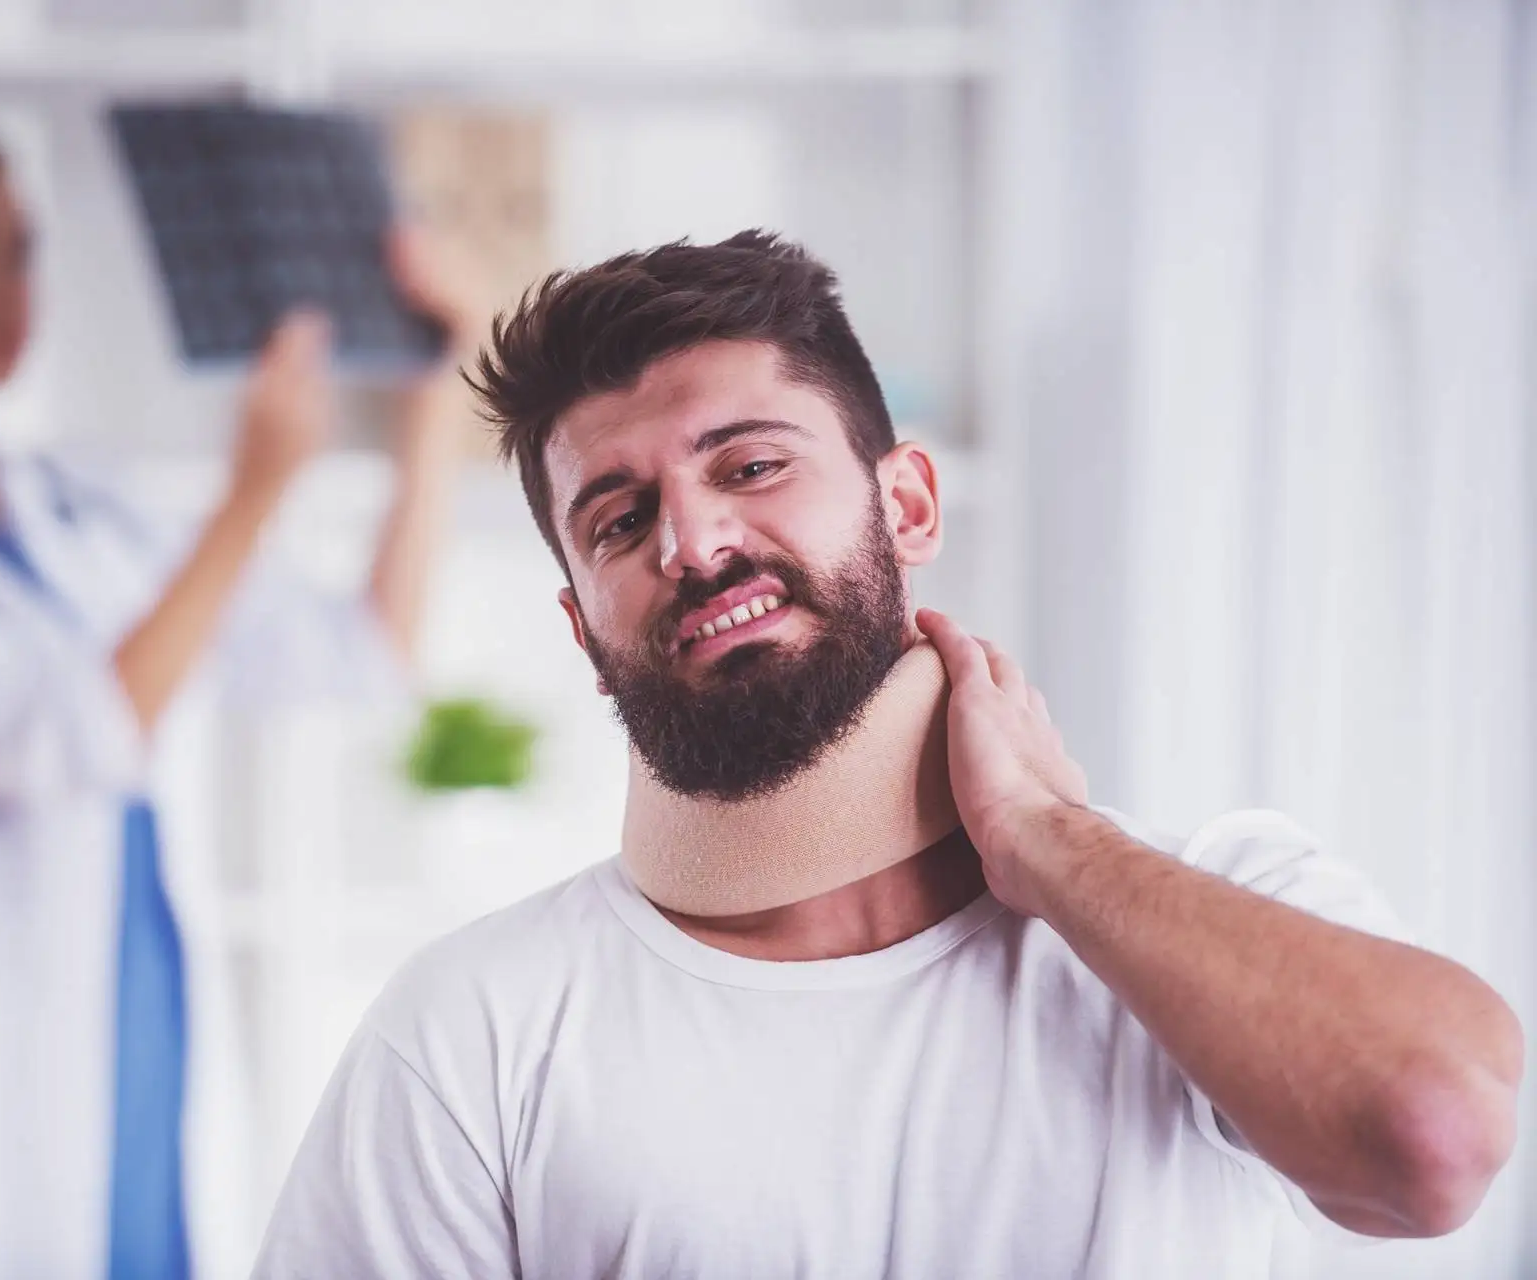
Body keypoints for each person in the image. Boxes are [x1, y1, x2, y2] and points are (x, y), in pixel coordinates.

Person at [254, 231, 1524, 1278]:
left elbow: (1435, 1137)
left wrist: (1053, 844)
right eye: (620, 517)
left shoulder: (1213, 901)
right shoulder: (478, 1028)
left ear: (906, 504)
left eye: (750, 464)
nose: (690, 541)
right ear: (583, 627)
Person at [0, 114, 473, 1279]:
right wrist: (248, 498)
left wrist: (434, 408)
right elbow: (64, 733)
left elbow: (359, 652)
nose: (8, 285)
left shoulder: (87, 498)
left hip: (139, 1051)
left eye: (20, 248)